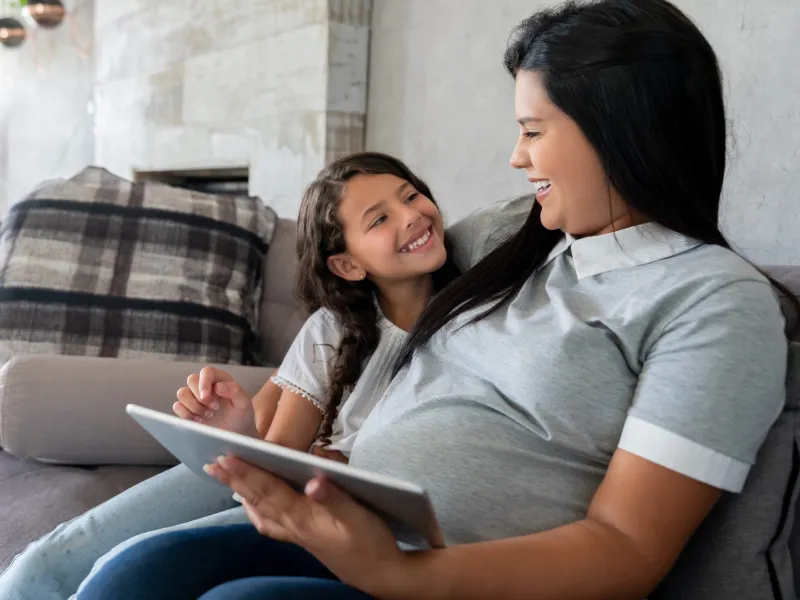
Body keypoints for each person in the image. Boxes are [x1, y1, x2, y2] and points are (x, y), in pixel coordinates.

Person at [73, 0, 799, 599]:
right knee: (132, 573)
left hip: (451, 580)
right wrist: (260, 434)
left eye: (532, 131)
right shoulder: (512, 234)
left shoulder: (714, 302)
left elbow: (626, 549)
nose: (517, 157)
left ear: (620, 133)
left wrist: (395, 574)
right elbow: (370, 285)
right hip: (355, 535)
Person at [0, 152, 459, 600]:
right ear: (348, 265)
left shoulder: (474, 329)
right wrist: (242, 432)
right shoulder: (333, 329)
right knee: (53, 556)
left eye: (412, 196)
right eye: (379, 219)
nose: (412, 216)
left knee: (128, 565)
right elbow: (280, 460)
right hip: (272, 481)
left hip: (331, 511)